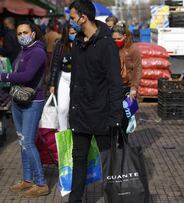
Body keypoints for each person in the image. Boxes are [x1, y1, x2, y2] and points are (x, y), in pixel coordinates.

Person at [68, 1, 123, 202]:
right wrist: (72, 112)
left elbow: (115, 83)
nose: (71, 22)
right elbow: (75, 80)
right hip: (80, 115)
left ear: (83, 17)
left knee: (108, 164)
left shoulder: (107, 44)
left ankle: (115, 198)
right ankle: (75, 200)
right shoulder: (78, 43)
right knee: (78, 160)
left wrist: (115, 118)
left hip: (102, 116)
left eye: (73, 18)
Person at [0, 21, 49, 198]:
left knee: (28, 142)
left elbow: (27, 75)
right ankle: (27, 179)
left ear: (33, 34)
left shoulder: (38, 52)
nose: (22, 36)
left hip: (33, 102)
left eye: (25, 32)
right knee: (22, 140)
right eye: (19, 33)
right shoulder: (23, 51)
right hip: (18, 100)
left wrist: (3, 76)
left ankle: (41, 183)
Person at [112, 22, 142, 146]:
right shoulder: (110, 48)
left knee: (125, 118)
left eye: (119, 39)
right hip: (113, 87)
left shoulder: (133, 49)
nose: (116, 41)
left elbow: (137, 69)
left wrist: (134, 88)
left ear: (125, 36)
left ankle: (123, 144)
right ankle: (112, 144)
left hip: (127, 88)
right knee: (113, 117)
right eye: (113, 39)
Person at [48, 23, 77, 131]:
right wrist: (52, 84)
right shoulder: (60, 45)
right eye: (71, 33)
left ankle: (76, 134)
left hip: (78, 80)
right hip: (64, 79)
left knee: (75, 110)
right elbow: (55, 65)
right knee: (62, 109)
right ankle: (63, 132)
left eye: (75, 33)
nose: (74, 35)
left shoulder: (82, 43)